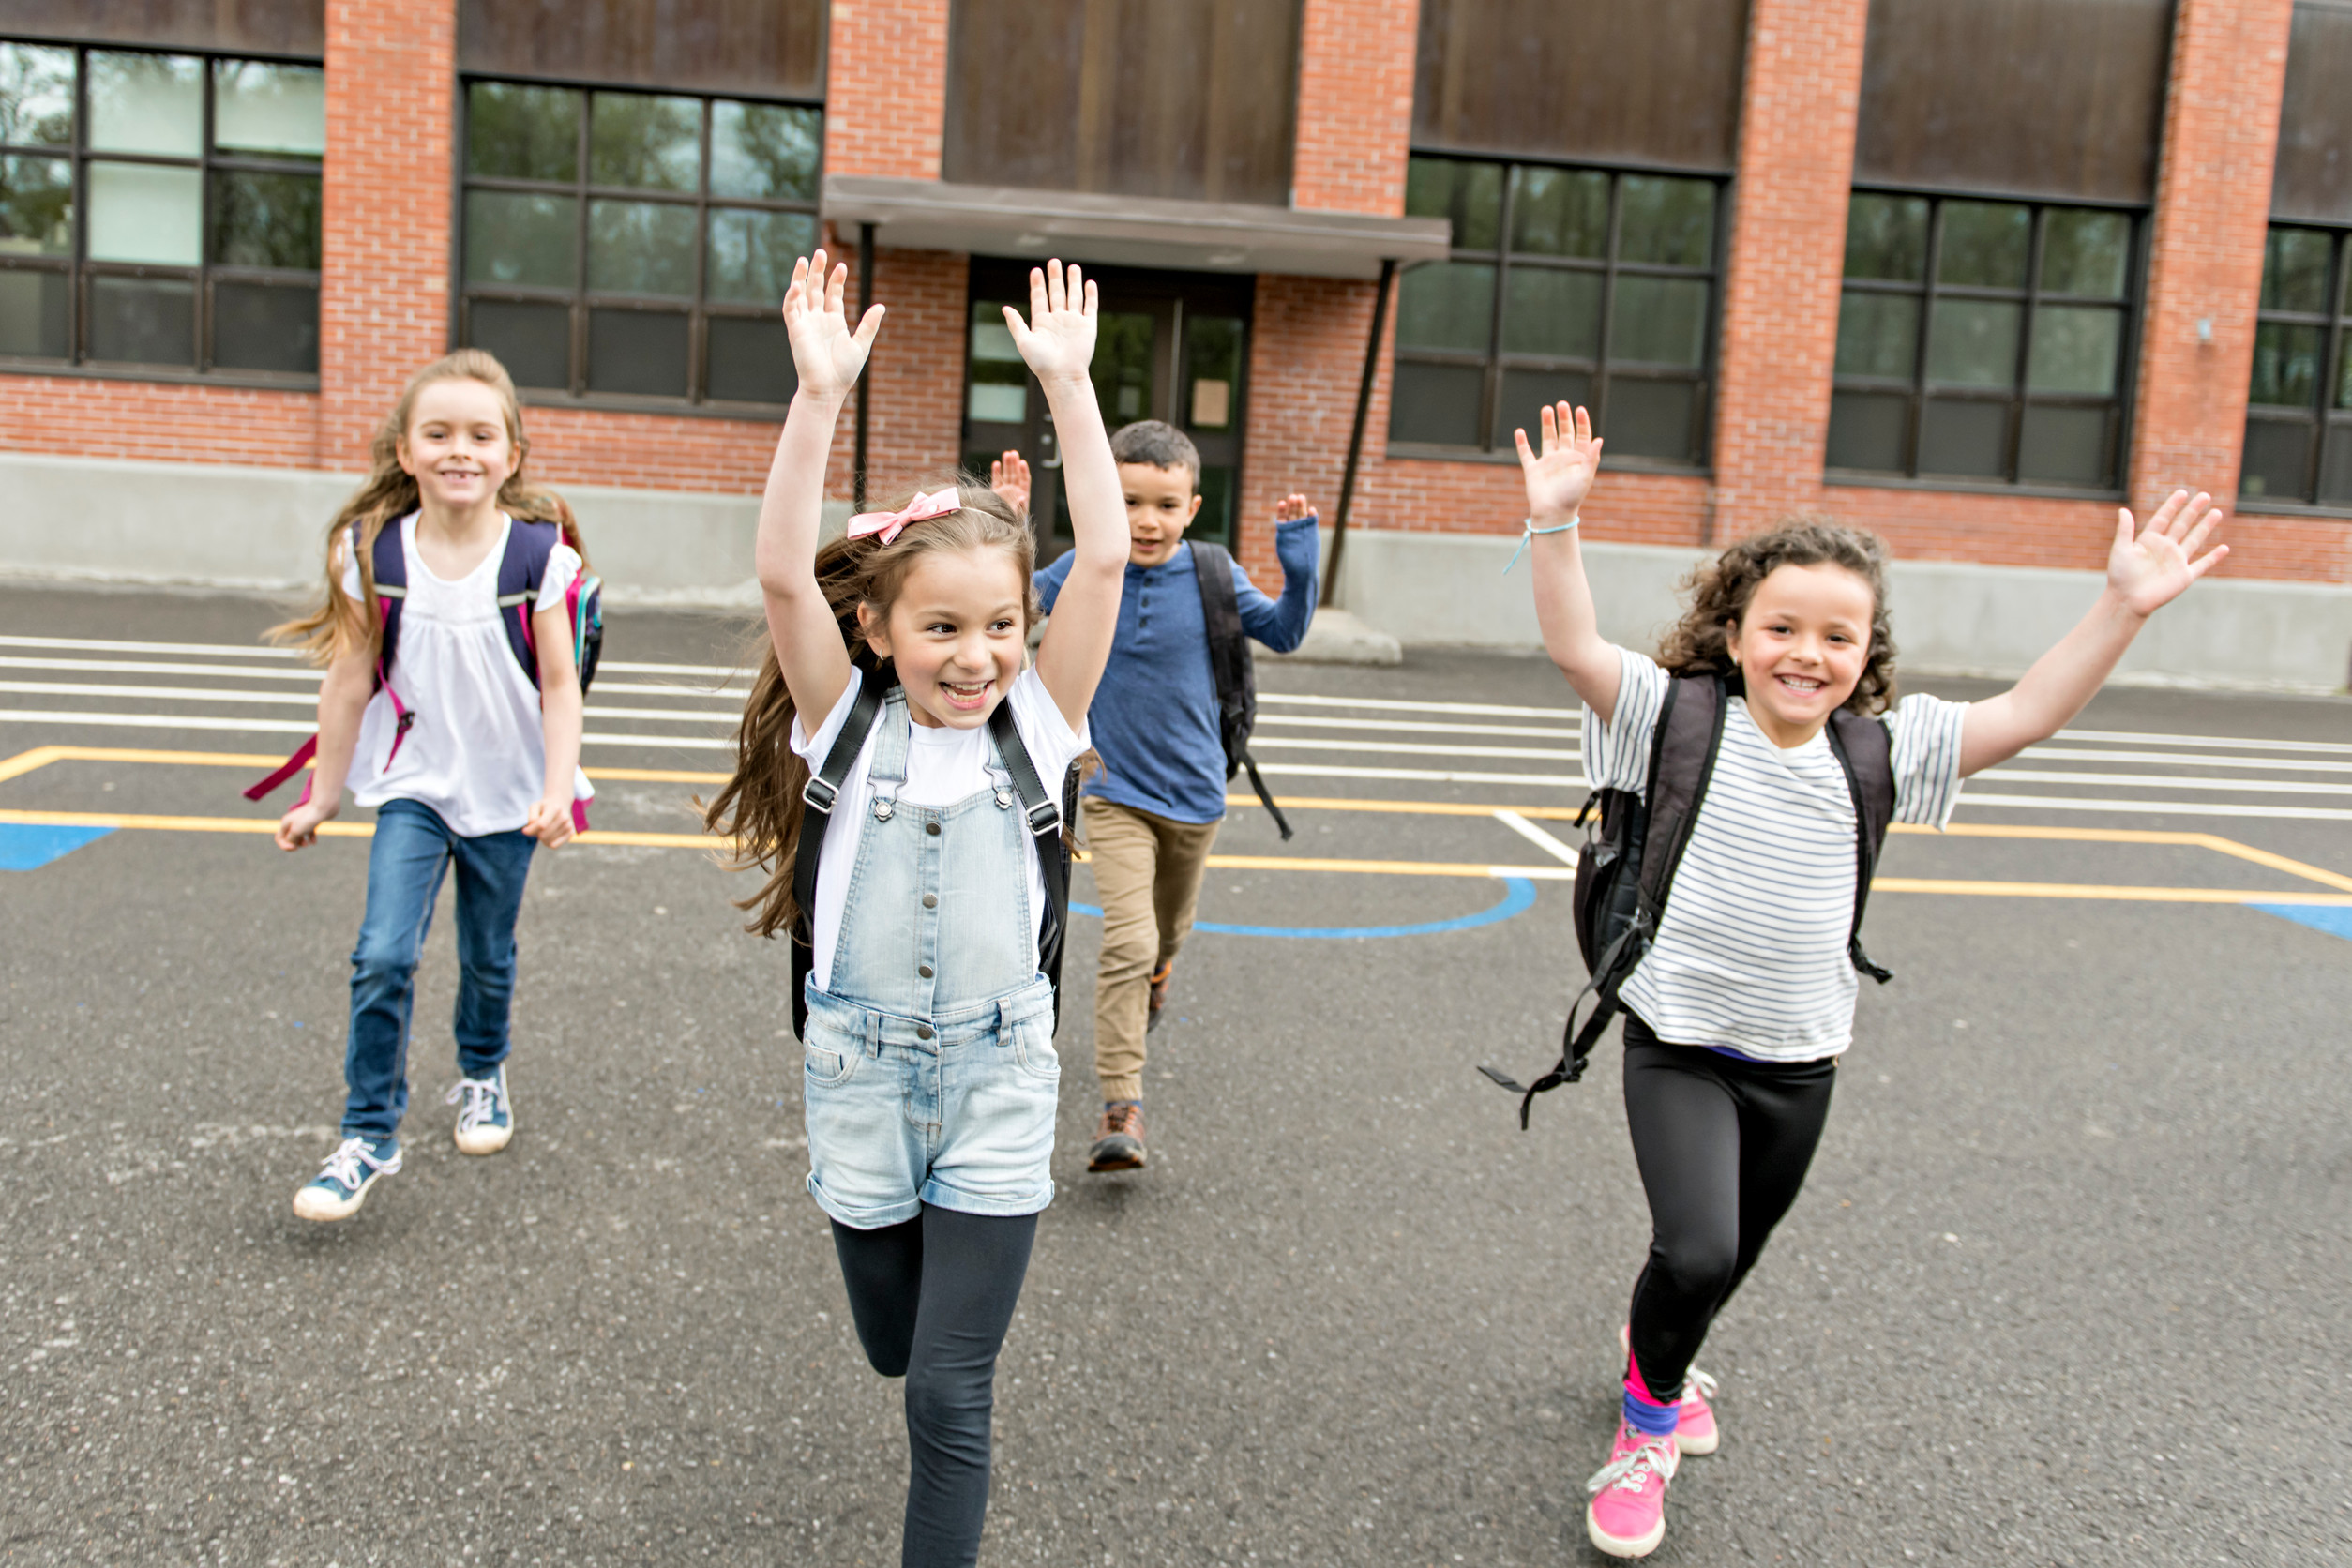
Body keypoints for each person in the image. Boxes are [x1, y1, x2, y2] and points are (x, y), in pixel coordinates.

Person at [1513, 402, 2227, 1558]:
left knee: (1723, 1259)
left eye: (1837, 637)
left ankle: (1664, 1358)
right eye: (1782, 626)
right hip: (1679, 1044)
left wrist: (2122, 605)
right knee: (1694, 1249)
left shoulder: (1880, 751)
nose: (1808, 653)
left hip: (1804, 1063)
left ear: (1867, 652)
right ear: (1736, 629)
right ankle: (1646, 1427)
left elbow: (2030, 713)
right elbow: (1576, 649)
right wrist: (1555, 527)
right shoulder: (1675, 716)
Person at [701, 253, 1123, 1568]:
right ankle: (913, 1307)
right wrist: (819, 396)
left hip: (1001, 1069)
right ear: (879, 629)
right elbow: (782, 578)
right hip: (860, 1074)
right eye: (943, 627)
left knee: (948, 1391)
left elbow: (1103, 555)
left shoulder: (1041, 727)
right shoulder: (841, 724)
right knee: (894, 1347)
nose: (978, 655)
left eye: (1000, 625)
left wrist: (1069, 390)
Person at [268, 349, 592, 1223]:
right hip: (412, 788)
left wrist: (558, 789)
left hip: (507, 798)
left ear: (511, 454)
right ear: (405, 451)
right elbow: (347, 681)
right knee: (382, 955)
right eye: (438, 433)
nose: (461, 450)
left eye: (481, 435)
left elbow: (559, 684)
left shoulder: (538, 558)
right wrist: (321, 796)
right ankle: (368, 1131)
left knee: (487, 958)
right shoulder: (373, 555)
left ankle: (482, 1073)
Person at [1011, 422, 1319, 1172]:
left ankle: (1160, 974)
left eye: (1164, 504)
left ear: (1192, 506)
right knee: (1129, 938)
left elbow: (1283, 633)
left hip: (1197, 798)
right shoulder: (1084, 569)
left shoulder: (1213, 573)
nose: (1146, 520)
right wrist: (1010, 526)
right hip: (1113, 792)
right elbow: (1009, 608)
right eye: (1127, 502)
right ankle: (1123, 1106)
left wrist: (1299, 563)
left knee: (1166, 937)